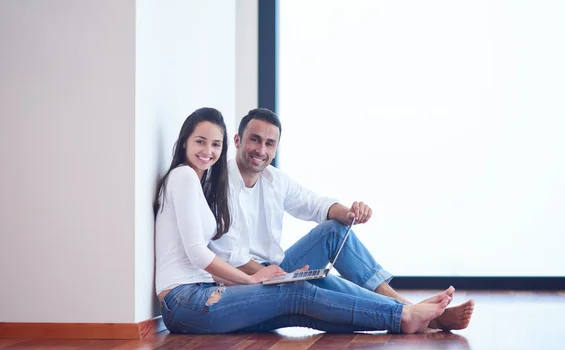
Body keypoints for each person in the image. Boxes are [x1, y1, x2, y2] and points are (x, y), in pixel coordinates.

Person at [154, 107, 452, 335]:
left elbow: (315, 204)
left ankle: (408, 311)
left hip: (239, 281)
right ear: (238, 141)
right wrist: (260, 279)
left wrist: (349, 212)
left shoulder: (259, 179)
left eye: (270, 143)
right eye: (255, 140)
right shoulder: (205, 183)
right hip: (222, 284)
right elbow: (213, 254)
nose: (261, 149)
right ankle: (405, 316)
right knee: (309, 289)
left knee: (330, 240)